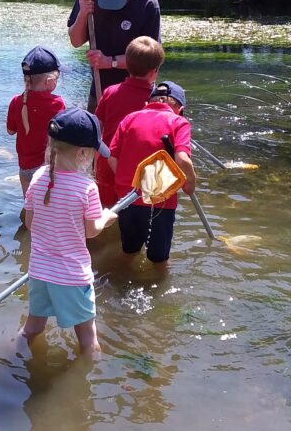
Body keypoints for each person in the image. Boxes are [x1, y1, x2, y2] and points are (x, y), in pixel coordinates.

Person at [21, 107, 119, 356]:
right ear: (84, 153)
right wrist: (105, 219)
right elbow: (91, 232)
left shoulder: (38, 177)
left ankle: (15, 357)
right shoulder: (87, 187)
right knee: (87, 338)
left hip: (39, 272)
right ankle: (90, 382)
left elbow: (30, 223)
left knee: (32, 327)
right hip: (72, 276)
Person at [108, 81, 196, 266]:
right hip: (160, 202)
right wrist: (190, 184)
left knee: (129, 252)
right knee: (159, 261)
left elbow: (112, 157)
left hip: (127, 199)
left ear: (148, 103)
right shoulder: (179, 122)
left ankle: (121, 285)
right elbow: (182, 159)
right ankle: (158, 290)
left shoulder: (129, 118)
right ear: (179, 108)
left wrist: (130, 183)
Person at [67, 0, 161, 111]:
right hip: (99, 88)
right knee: (96, 132)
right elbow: (76, 41)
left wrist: (110, 62)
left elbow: (150, 61)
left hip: (137, 92)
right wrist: (83, 14)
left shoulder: (147, 4)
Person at [94, 36, 165, 206]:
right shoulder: (155, 101)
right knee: (135, 214)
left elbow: (96, 128)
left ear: (128, 66)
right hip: (135, 169)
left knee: (106, 214)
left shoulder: (110, 92)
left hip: (106, 162)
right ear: (154, 72)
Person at [6, 46, 66, 196]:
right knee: (48, 208)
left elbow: (10, 130)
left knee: (30, 207)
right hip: (47, 167)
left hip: (25, 168)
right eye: (57, 79)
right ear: (48, 81)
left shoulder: (16, 101)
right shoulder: (57, 103)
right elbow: (64, 135)